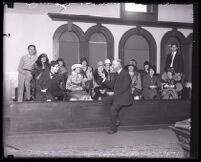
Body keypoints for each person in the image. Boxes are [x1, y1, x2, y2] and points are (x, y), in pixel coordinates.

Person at [101, 59, 133, 134]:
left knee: (113, 109)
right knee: (105, 100)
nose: (112, 66)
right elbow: (112, 85)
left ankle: (113, 128)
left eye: (113, 65)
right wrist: (104, 78)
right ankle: (116, 118)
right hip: (117, 95)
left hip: (124, 97)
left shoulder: (125, 74)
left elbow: (124, 88)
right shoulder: (116, 74)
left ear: (118, 65)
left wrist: (113, 93)